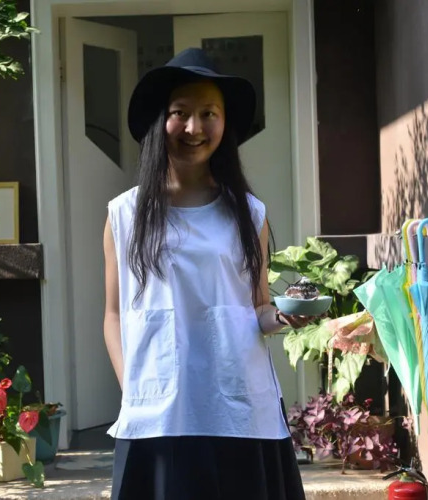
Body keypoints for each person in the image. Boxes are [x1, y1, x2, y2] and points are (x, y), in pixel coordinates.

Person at [102, 48, 320, 500]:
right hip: (159, 413)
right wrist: (134, 388)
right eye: (180, 113)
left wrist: (285, 317)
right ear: (161, 120)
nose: (194, 128)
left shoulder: (248, 213)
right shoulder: (125, 214)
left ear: (225, 123)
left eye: (209, 114)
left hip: (238, 409)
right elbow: (114, 315)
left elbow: (258, 308)